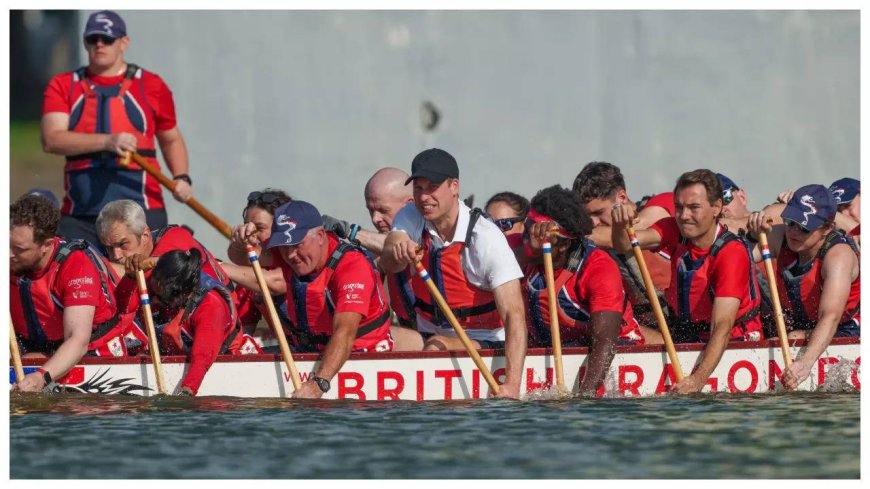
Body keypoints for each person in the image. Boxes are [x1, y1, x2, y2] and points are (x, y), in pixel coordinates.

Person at [380, 148, 527, 399]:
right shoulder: (411, 215)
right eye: (418, 188)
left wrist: (512, 385)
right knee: (378, 339)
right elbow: (392, 251)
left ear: (454, 187)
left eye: (433, 187)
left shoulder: (485, 239)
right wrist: (398, 247)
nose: (424, 197)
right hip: (430, 333)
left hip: (487, 341)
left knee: (435, 347)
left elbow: (514, 316)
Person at [40, 10, 192, 246]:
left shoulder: (152, 85)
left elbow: (171, 139)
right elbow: (52, 139)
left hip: (141, 210)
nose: (100, 44)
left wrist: (181, 177)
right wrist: (108, 142)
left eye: (107, 39)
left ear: (124, 43)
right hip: (81, 213)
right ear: (85, 43)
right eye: (93, 39)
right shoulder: (63, 85)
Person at [611, 169, 764, 394]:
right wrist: (618, 224)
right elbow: (625, 244)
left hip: (734, 341)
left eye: (693, 207)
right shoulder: (674, 229)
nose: (683, 216)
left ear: (716, 207)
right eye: (679, 207)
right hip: (686, 333)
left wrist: (697, 380)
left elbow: (722, 325)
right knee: (621, 331)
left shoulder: (731, 252)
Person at [224, 200, 394, 399]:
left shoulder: (351, 266)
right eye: (284, 247)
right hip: (309, 350)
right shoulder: (291, 253)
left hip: (360, 354)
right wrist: (238, 242)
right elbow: (241, 258)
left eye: (297, 244)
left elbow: (345, 332)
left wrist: (318, 384)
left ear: (320, 236)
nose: (291, 255)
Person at [521, 186, 646, 395]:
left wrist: (585, 399)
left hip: (614, 347)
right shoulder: (526, 255)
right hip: (562, 345)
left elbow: (606, 340)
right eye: (527, 229)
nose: (524, 238)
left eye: (533, 232)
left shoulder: (598, 267)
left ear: (560, 245)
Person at [10, 194, 131, 392]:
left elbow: (77, 339)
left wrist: (42, 377)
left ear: (46, 245)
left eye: (19, 249)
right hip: (36, 346)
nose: (8, 254)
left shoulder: (75, 265)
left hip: (90, 350)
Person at [746, 185, 860, 390]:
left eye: (804, 227)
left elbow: (830, 317)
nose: (793, 231)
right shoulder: (779, 236)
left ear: (827, 228)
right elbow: (735, 257)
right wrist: (752, 233)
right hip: (799, 323)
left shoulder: (838, 256)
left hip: (846, 328)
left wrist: (805, 364)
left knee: (793, 337)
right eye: (790, 222)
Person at [95, 199, 231, 351]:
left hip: (224, 341)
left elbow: (135, 273)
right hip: (176, 343)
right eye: (108, 248)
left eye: (123, 245)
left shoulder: (176, 238)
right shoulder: (130, 255)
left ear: (145, 236)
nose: (116, 255)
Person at [144, 249, 260, 396]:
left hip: (229, 360)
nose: (154, 298)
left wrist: (187, 391)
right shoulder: (172, 292)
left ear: (177, 291)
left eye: (160, 295)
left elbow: (202, 356)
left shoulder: (211, 306)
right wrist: (129, 276)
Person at [362, 168, 424, 350]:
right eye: (370, 210)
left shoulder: (431, 236)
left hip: (447, 340)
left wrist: (351, 232)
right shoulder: (376, 256)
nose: (375, 219)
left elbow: (395, 246)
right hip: (413, 336)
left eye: (383, 210)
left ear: (410, 205)